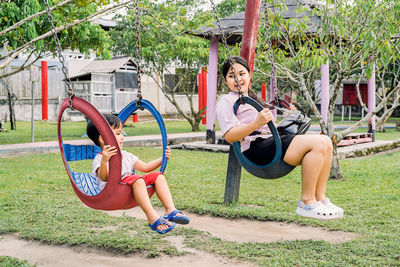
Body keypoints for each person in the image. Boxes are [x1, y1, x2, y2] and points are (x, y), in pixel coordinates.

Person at [216, 56, 343, 220]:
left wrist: (287, 118)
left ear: (249, 75)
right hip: (255, 150)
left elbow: (267, 129)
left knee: (326, 141)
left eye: (242, 74)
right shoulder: (227, 101)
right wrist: (256, 123)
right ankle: (307, 201)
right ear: (226, 80)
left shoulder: (254, 100)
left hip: (270, 144)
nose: (238, 79)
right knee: (318, 143)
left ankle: (320, 199)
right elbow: (230, 136)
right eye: (232, 76)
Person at [87, 114, 190, 234]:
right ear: (103, 139)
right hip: (112, 192)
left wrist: (163, 158)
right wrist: (105, 160)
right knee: (137, 179)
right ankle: (152, 217)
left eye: (122, 133)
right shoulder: (100, 158)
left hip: (130, 186)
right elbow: (103, 177)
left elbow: (145, 167)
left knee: (158, 176)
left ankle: (170, 210)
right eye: (118, 133)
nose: (122, 137)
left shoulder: (126, 155)